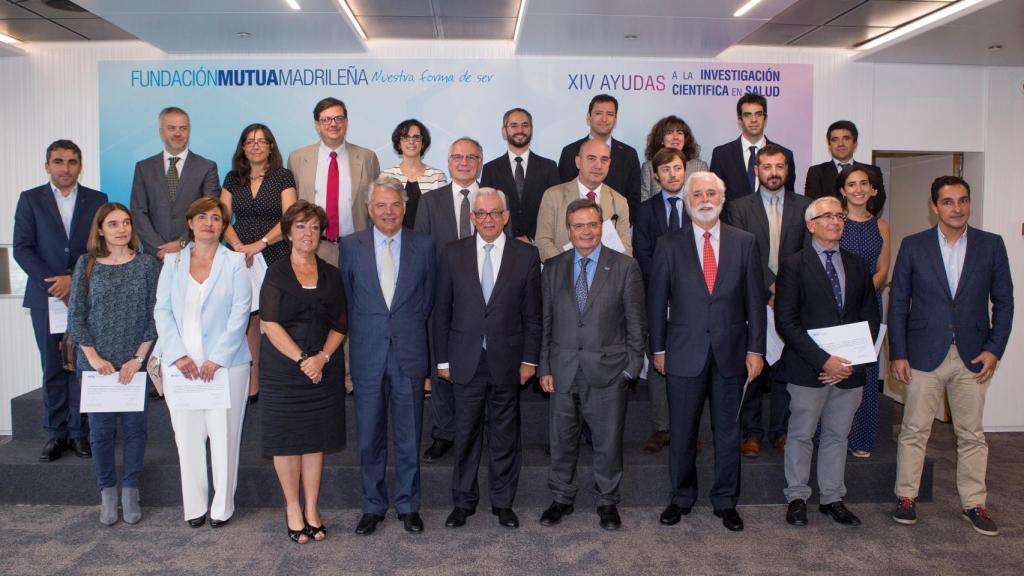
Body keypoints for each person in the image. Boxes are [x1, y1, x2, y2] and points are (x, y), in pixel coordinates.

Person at [890, 176, 1014, 537]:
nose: (956, 208)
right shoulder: (913, 246)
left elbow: (1004, 302)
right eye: (948, 202)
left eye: (962, 201)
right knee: (914, 430)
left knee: (972, 434)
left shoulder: (991, 245)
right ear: (934, 207)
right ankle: (906, 497)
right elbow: (898, 303)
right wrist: (898, 353)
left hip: (974, 357)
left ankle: (974, 502)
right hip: (923, 354)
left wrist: (995, 349)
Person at [648, 171, 766, 532]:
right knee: (682, 431)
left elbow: (755, 303)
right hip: (683, 352)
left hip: (731, 352)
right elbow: (656, 303)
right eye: (697, 193)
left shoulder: (744, 242)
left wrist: (756, 350)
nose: (704, 199)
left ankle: (726, 501)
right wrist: (658, 348)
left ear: (722, 198)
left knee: (728, 433)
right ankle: (681, 497)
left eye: (711, 192)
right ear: (687, 201)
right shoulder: (668, 244)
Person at [434, 188, 542, 530]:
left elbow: (534, 317)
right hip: (464, 361)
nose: (488, 219)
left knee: (505, 435)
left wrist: (530, 360)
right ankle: (463, 503)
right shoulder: (452, 253)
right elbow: (441, 313)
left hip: (507, 361)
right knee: (465, 435)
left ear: (506, 216)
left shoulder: (526, 256)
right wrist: (442, 362)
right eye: (481, 214)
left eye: (495, 213)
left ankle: (502, 503)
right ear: (472, 218)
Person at [537, 199, 645, 531]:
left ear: (601, 226)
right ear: (569, 230)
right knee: (561, 440)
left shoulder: (625, 267)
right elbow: (547, 323)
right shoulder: (553, 267)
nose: (586, 231)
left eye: (592, 224)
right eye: (579, 226)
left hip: (609, 371)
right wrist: (545, 367)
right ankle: (561, 498)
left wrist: (631, 366)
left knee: (608, 442)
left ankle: (607, 501)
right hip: (564, 369)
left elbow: (635, 324)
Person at [774, 196, 881, 528]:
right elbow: (786, 322)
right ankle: (797, 497)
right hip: (809, 370)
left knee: (838, 435)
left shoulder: (859, 265)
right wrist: (824, 361)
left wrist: (850, 361)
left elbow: (870, 318)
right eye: (827, 216)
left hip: (849, 370)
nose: (836, 221)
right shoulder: (793, 265)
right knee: (801, 434)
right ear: (811, 225)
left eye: (840, 216)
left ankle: (833, 498)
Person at [340, 176, 435, 536]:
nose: (388, 211)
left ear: (405, 207)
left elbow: (428, 301)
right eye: (381, 204)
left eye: (395, 204)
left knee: (410, 435)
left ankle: (409, 505)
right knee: (369, 436)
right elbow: (349, 301)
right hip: (367, 353)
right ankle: (373, 506)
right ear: (369, 209)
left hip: (409, 354)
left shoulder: (424, 246)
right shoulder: (350, 246)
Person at [154, 197, 252, 529]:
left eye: (216, 217)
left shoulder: (236, 262)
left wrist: (217, 358)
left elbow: (241, 313)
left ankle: (222, 507)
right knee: (187, 438)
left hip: (226, 367)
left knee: (225, 438)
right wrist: (178, 353)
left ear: (224, 226)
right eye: (202, 217)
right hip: (181, 367)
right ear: (191, 223)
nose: (209, 222)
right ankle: (194, 505)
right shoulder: (173, 261)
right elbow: (162, 310)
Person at [259, 200, 347, 543]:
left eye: (314, 227)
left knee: (314, 442)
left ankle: (312, 507)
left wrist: (322, 358)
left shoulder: (332, 274)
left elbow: (341, 324)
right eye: (300, 227)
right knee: (286, 442)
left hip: (323, 369)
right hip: (285, 370)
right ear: (287, 234)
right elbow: (269, 323)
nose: (308, 234)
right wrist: (302, 359)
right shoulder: (276, 273)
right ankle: (292, 508)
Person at [14, 139, 107, 462]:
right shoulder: (30, 200)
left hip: (83, 296)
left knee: (81, 365)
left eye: (71, 161)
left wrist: (74, 280)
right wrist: (52, 283)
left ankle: (81, 433)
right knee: (53, 367)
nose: (65, 168)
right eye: (58, 161)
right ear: (47, 165)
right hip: (45, 297)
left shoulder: (97, 200)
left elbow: (100, 247)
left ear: (80, 166)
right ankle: (56, 434)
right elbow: (22, 247)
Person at [67, 203, 159, 525]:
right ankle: (107, 491)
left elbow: (154, 315)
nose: (121, 229)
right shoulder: (87, 264)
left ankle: (130, 491)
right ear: (101, 230)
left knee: (136, 431)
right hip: (96, 366)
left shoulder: (147, 265)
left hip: (135, 363)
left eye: (126, 223)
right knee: (101, 433)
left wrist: (138, 358)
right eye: (113, 223)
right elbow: (76, 315)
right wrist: (93, 358)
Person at [726, 144, 811, 457]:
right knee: (751, 365)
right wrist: (770, 287)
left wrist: (785, 290)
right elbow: (741, 254)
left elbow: (806, 254)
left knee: (786, 368)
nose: (773, 172)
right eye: (767, 166)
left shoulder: (806, 206)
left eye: (779, 166)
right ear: (756, 170)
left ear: (787, 170)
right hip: (752, 298)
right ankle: (752, 432)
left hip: (792, 302)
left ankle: (781, 430)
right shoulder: (738, 208)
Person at [414, 136, 485, 463]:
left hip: (485, 298)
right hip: (442, 297)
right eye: (458, 156)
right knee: (440, 365)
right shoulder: (431, 201)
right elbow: (421, 252)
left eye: (471, 157)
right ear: (449, 161)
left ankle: (475, 432)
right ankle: (444, 432)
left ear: (480, 161)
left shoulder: (492, 199)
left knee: (479, 368)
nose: (465, 162)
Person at [220, 123, 297, 400]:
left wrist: (259, 244)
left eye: (262, 141)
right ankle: (253, 384)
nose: (255, 146)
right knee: (249, 321)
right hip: (241, 258)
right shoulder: (232, 178)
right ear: (242, 147)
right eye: (250, 141)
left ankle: (281, 380)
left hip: (274, 253)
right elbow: (223, 218)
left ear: (271, 146)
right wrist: (239, 247)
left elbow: (289, 219)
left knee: (276, 319)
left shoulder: (283, 177)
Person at [632, 147, 689, 453]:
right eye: (665, 170)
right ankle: (662, 427)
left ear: (685, 170)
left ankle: (686, 427)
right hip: (655, 297)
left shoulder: (698, 205)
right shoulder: (644, 210)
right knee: (658, 361)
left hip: (693, 301)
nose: (672, 174)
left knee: (690, 363)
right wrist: (665, 287)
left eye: (677, 168)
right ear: (656, 175)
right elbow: (642, 252)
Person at [287, 97, 381, 264]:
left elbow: (376, 204)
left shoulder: (368, 158)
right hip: (314, 247)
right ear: (317, 124)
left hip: (357, 247)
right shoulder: (298, 158)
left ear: (346, 122)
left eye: (339, 118)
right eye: (326, 119)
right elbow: (292, 210)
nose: (333, 124)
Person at [837, 165, 891, 458]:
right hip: (837, 305)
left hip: (869, 304)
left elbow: (883, 269)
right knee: (837, 368)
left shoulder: (882, 226)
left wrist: (862, 291)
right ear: (842, 190)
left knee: (866, 372)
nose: (858, 189)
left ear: (872, 190)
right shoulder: (834, 221)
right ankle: (833, 436)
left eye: (863, 184)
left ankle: (861, 438)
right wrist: (847, 294)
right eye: (851, 184)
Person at [130, 106, 220, 259]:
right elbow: (138, 212)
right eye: (171, 128)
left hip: (194, 254)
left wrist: (183, 243)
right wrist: (159, 249)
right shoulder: (143, 168)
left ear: (189, 131)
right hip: (154, 257)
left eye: (183, 128)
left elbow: (210, 212)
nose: (178, 133)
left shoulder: (207, 167)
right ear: (161, 132)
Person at [535, 139, 632, 262]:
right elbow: (543, 241)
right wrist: (568, 270)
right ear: (578, 162)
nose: (598, 165)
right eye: (591, 158)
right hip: (563, 275)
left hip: (605, 277)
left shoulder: (620, 202)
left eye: (604, 160)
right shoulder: (553, 196)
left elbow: (625, 250)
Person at [480, 108, 560, 242]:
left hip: (539, 245)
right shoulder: (490, 169)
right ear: (504, 131)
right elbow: (484, 210)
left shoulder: (549, 167)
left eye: (525, 125)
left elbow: (556, 209)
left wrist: (532, 238)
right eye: (513, 125)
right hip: (502, 247)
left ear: (532, 130)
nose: (520, 130)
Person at [558, 94, 642, 216]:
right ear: (588, 117)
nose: (604, 119)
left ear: (615, 119)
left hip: (616, 226)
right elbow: (562, 195)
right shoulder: (570, 151)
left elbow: (634, 199)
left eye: (610, 114)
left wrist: (616, 225)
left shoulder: (629, 154)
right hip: (576, 227)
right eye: (598, 113)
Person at [709, 94, 796, 213]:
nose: (754, 120)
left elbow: (789, 199)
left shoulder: (785, 155)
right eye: (747, 115)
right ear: (740, 120)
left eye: (758, 114)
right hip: (733, 227)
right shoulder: (721, 154)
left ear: (765, 118)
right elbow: (715, 197)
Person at [804, 120, 887, 215]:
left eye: (846, 138)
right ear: (829, 145)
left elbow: (877, 202)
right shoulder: (816, 172)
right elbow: (814, 205)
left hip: (862, 225)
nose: (840, 144)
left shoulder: (872, 171)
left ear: (855, 143)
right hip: (830, 226)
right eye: (835, 139)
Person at [380, 119, 448, 228]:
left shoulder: (437, 176)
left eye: (416, 138)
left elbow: (442, 215)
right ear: (399, 144)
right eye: (406, 137)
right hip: (395, 238)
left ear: (423, 144)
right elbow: (381, 211)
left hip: (427, 240)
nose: (411, 142)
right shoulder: (386, 176)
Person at [640, 115, 708, 202]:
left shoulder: (700, 167)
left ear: (685, 139)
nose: (675, 137)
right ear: (661, 139)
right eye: (670, 132)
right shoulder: (649, 167)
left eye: (680, 133)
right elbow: (644, 202)